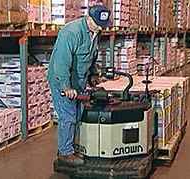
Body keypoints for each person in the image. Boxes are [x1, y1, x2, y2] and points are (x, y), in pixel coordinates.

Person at [47, 5, 111, 166]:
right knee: (68, 116)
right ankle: (65, 153)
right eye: (96, 24)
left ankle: (68, 146)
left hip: (79, 79)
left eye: (101, 26)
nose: (99, 29)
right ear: (88, 18)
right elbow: (61, 63)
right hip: (62, 80)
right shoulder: (72, 32)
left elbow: (91, 54)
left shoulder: (96, 31)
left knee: (77, 114)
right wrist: (66, 87)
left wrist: (94, 74)